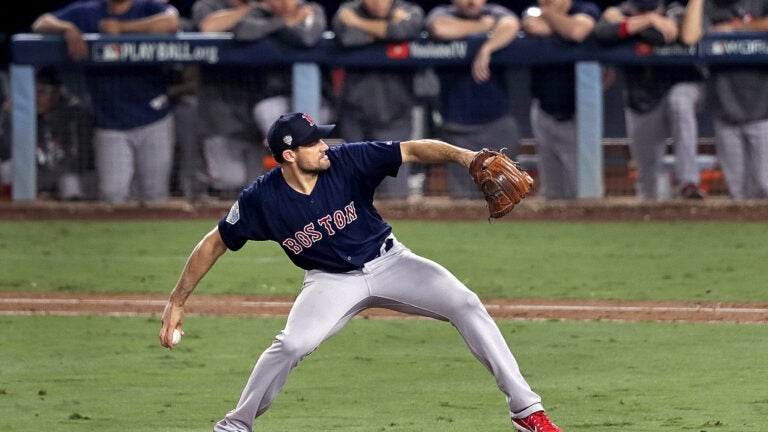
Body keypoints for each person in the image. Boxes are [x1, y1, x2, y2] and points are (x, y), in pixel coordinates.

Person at [159, 112, 564, 432]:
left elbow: (414, 150)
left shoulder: (346, 159)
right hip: (329, 281)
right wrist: (177, 301)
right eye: (312, 142)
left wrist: (466, 157)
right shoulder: (261, 200)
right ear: (288, 155)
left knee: (465, 303)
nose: (323, 145)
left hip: (391, 262)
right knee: (293, 344)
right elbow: (214, 241)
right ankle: (236, 424)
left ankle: (527, 412)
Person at [31, 0, 180, 205]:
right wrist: (67, 27)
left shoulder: (146, 7)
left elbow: (171, 22)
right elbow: (40, 23)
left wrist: (123, 28)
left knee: (155, 195)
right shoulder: (88, 12)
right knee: (112, 195)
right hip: (110, 123)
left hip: (154, 118)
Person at [192, 0, 333, 198]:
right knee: (230, 178)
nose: (284, 2)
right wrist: (285, 22)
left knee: (260, 178)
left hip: (302, 101)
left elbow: (307, 38)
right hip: (251, 102)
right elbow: (242, 31)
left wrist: (277, 26)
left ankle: (306, 189)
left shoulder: (310, 9)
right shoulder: (258, 11)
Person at [594, 0, 707, 201]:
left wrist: (627, 25)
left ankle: (689, 183)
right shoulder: (623, 10)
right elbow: (602, 33)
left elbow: (665, 36)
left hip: (676, 84)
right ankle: (652, 215)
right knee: (647, 174)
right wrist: (649, 20)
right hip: (640, 97)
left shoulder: (675, 10)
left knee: (679, 101)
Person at [425, 0, 523, 200]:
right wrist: (485, 27)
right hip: (457, 131)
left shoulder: (494, 11)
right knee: (463, 203)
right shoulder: (443, 12)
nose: (472, 1)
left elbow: (511, 24)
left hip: (498, 127)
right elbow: (440, 28)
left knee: (505, 200)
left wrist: (486, 48)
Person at [331, 0, 425, 200]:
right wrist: (386, 31)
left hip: (395, 116)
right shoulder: (347, 11)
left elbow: (404, 31)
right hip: (354, 116)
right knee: (354, 192)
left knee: (395, 195)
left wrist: (360, 24)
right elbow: (348, 38)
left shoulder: (409, 10)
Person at [680, 0, 768, 200]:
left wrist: (737, 28)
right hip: (725, 106)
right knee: (738, 191)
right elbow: (689, 36)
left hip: (763, 108)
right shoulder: (711, 6)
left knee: (765, 184)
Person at [521, 0, 601, 200]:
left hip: (577, 118)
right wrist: (561, 27)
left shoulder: (585, 9)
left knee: (584, 191)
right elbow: (532, 25)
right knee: (551, 192)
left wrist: (548, 15)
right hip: (542, 111)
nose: (546, 2)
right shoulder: (532, 9)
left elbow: (577, 31)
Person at [0, 67, 95, 200]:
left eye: (43, 91)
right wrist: (8, 117)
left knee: (70, 182)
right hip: (36, 175)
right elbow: (5, 153)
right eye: (33, 90)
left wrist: (44, 183)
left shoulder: (74, 116)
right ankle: (19, 215)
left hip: (66, 176)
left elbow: (81, 162)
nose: (36, 97)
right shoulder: (21, 116)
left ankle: (75, 217)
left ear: (56, 93)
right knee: (5, 169)